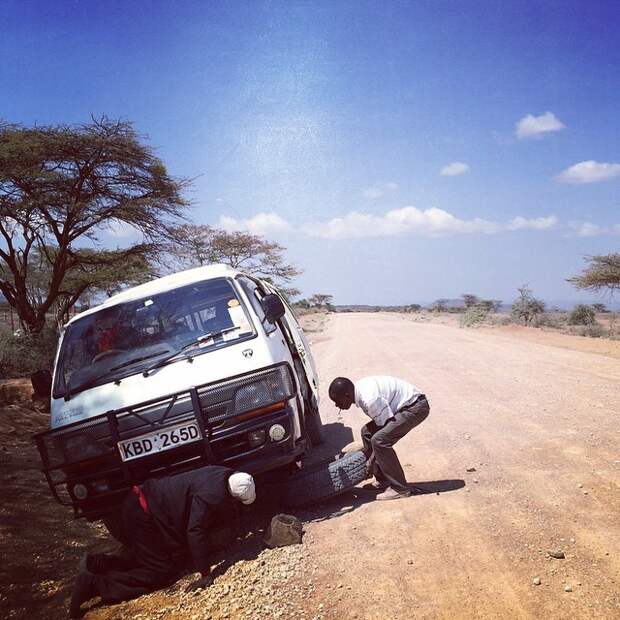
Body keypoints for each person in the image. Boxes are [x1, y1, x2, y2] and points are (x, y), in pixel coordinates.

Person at [69, 466, 256, 618]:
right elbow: (194, 531)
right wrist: (205, 573)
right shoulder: (212, 494)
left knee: (149, 557)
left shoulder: (222, 472)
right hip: (142, 514)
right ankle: (94, 585)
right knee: (160, 572)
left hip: (138, 500)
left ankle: (97, 563)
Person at [328, 375, 430, 501]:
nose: (337, 405)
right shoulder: (359, 391)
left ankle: (400, 488)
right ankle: (384, 480)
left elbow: (385, 428)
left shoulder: (369, 399)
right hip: (404, 407)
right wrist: (372, 459)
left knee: (379, 440)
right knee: (366, 432)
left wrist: (370, 460)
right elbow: (383, 422)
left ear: (348, 395)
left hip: (415, 408)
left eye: (338, 401)